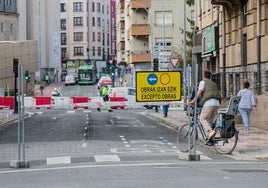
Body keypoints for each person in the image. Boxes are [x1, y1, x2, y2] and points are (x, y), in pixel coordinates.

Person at [190, 70, 221, 140]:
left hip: (209, 103)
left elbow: (199, 92)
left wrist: (193, 101)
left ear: (203, 76)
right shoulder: (213, 83)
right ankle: (209, 139)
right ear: (210, 76)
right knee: (209, 121)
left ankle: (210, 132)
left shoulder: (203, 82)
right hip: (217, 104)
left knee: (202, 118)